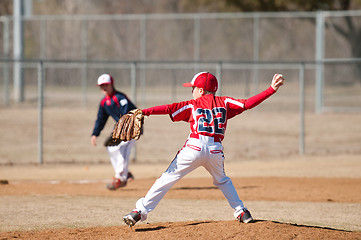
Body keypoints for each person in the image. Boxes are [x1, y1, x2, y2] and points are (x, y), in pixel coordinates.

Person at [122, 72, 284, 226]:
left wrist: (145, 112)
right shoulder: (225, 102)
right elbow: (248, 103)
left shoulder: (193, 104)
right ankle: (241, 211)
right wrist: (271, 90)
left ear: (200, 90)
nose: (191, 91)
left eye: (193, 88)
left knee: (166, 178)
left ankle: (139, 211)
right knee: (223, 180)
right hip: (215, 150)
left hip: (194, 147)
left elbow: (169, 108)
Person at [91, 73, 137, 190]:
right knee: (110, 147)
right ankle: (125, 173)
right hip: (120, 129)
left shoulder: (120, 98)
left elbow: (127, 113)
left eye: (106, 85)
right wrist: (95, 134)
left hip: (132, 126)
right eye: (101, 86)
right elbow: (101, 119)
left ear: (112, 84)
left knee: (122, 148)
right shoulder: (104, 103)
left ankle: (120, 178)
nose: (104, 88)